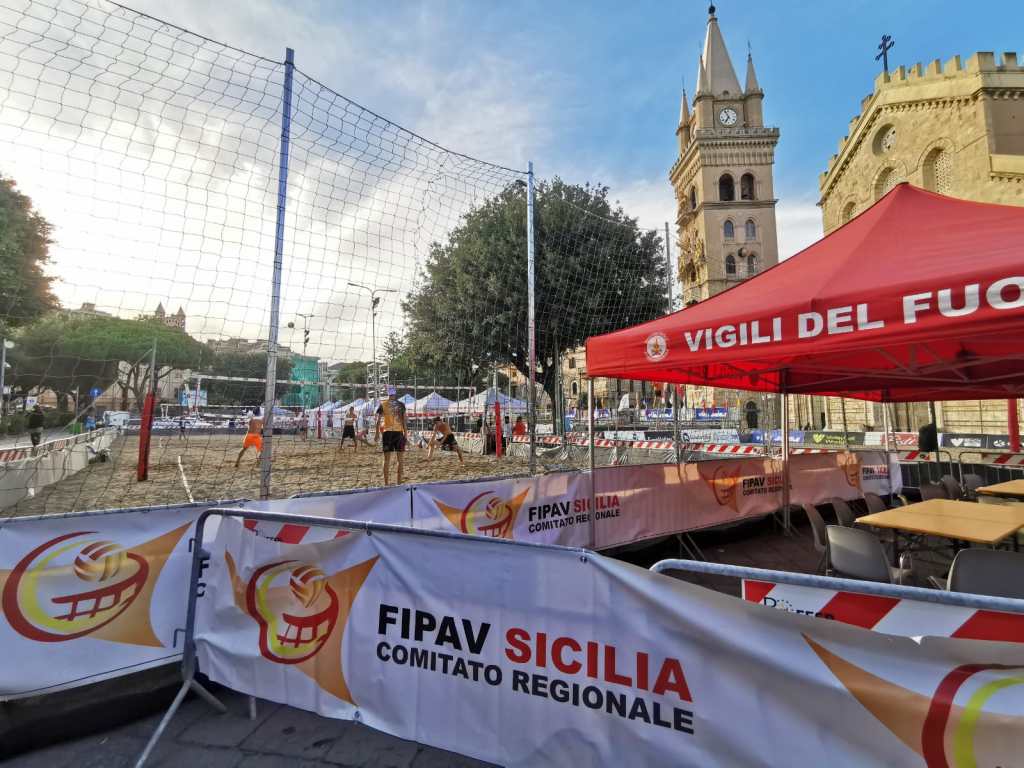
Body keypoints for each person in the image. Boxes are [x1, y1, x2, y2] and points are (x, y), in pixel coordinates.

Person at [375, 388, 407, 485]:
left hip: (387, 433)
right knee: (400, 460)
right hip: (399, 433)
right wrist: (406, 434)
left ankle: (386, 484)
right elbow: (404, 421)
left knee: (386, 460)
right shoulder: (401, 405)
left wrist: (377, 434)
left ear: (388, 394)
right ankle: (399, 483)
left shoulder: (383, 404)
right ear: (395, 394)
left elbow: (378, 421)